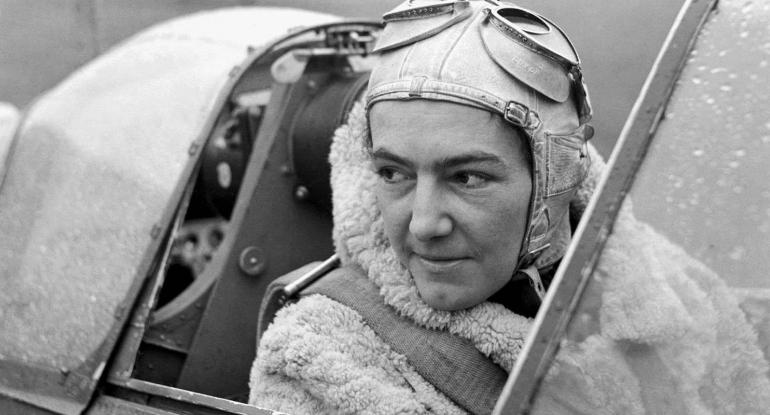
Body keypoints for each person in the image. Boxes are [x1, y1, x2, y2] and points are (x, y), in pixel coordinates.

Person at [249, 1, 769, 413]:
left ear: (557, 177)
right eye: (393, 173)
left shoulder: (681, 300)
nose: (425, 224)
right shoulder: (320, 355)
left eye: (467, 177)